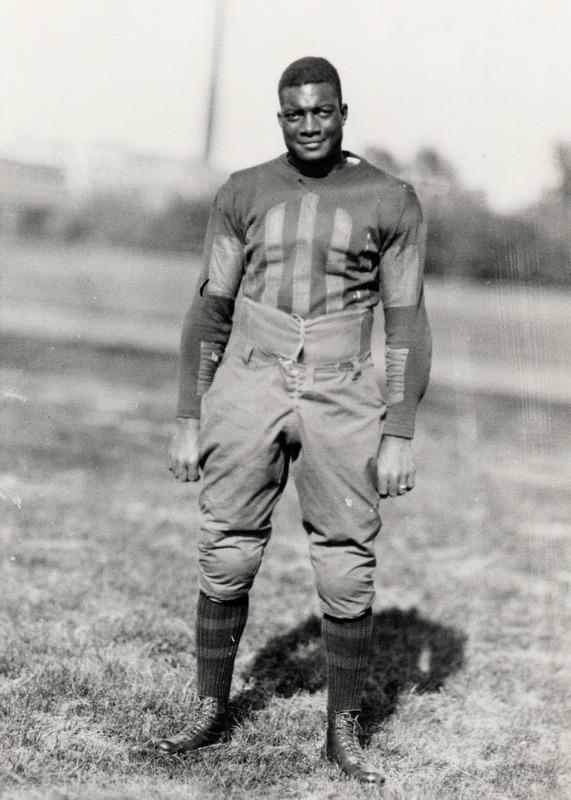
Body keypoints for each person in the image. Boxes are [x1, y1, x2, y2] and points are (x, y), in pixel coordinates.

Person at [161, 56, 431, 785]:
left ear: (343, 111)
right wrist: (190, 414)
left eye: (321, 111)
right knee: (227, 549)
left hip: (342, 391)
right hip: (249, 380)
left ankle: (342, 731)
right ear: (279, 116)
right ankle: (209, 707)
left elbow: (405, 323)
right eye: (294, 113)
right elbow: (210, 306)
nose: (308, 124)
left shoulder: (388, 196)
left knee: (345, 565)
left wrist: (398, 429)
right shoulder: (244, 191)